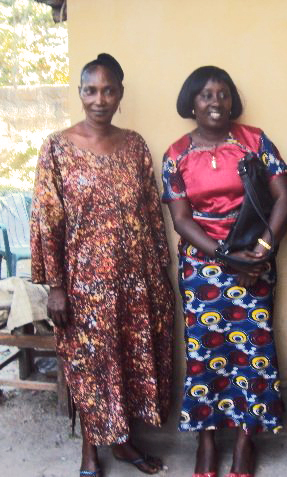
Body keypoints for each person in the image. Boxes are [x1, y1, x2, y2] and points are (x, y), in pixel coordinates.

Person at [30, 53, 174, 477]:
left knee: (128, 361)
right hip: (84, 285)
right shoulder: (56, 148)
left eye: (108, 90)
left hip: (136, 280)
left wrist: (160, 272)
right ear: (79, 93)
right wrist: (56, 287)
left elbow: (151, 213)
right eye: (90, 90)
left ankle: (124, 443)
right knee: (90, 366)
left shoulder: (135, 145)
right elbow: (46, 221)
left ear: (120, 94)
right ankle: (90, 453)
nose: (99, 99)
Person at [162, 66, 287, 477]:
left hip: (255, 259)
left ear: (232, 100)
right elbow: (181, 220)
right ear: (191, 103)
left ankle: (244, 440)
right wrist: (224, 256)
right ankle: (205, 440)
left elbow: (283, 197)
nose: (215, 102)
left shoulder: (255, 141)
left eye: (222, 94)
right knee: (205, 352)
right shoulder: (176, 154)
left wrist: (262, 251)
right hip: (203, 268)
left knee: (252, 352)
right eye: (205, 95)